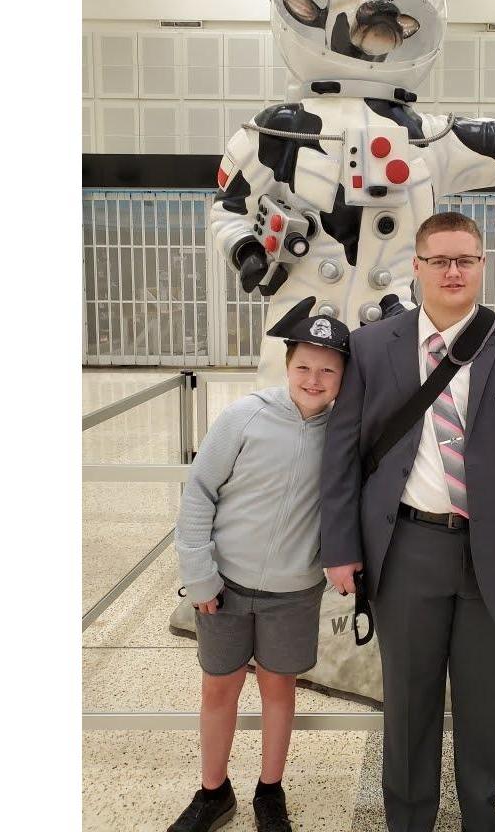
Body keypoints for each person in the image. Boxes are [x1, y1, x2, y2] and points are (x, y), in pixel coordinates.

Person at [320, 211, 495, 832]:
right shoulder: (374, 346)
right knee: (408, 701)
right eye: (440, 260)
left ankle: (482, 816)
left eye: (466, 259)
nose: (454, 271)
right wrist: (340, 547)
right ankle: (409, 821)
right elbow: (344, 453)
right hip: (406, 547)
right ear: (418, 266)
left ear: (483, 265)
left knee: (486, 703)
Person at [169, 312, 352, 832]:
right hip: (223, 586)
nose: (314, 380)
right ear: (287, 364)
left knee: (279, 688)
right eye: (305, 367)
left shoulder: (341, 435)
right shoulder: (244, 416)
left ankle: (269, 789)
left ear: (342, 379)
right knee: (218, 687)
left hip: (293, 592)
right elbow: (199, 493)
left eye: (328, 372)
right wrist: (200, 574)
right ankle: (213, 790)